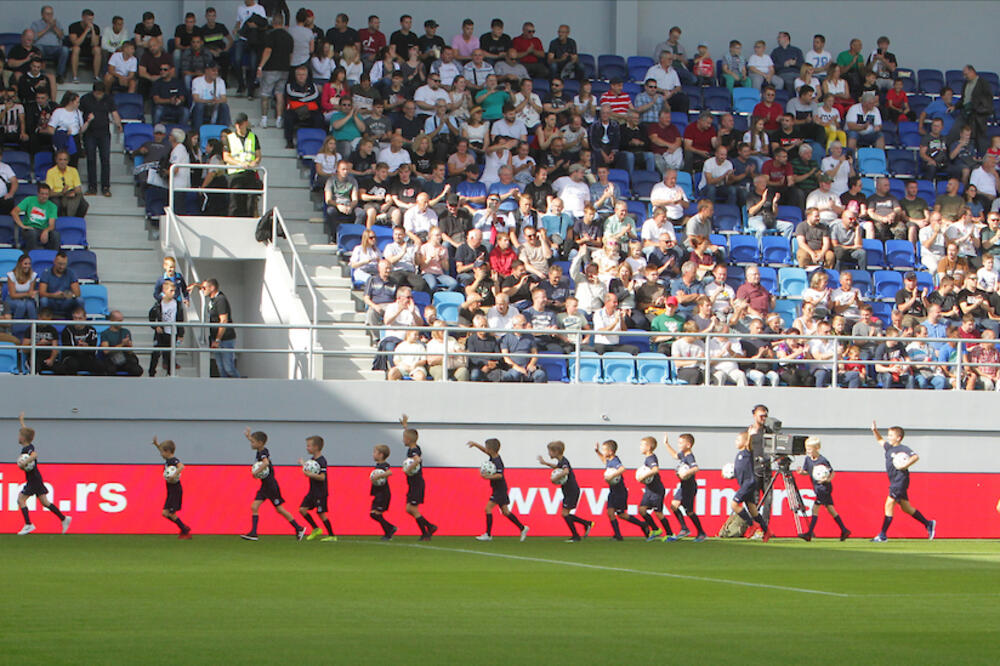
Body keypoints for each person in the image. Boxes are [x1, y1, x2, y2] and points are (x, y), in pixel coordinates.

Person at [870, 421, 936, 542]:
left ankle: (882, 535)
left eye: (891, 435)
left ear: (898, 438)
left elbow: (915, 456)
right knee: (906, 508)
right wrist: (875, 431)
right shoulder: (889, 448)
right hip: (894, 481)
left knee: (889, 504)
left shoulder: (903, 448)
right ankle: (928, 523)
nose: (888, 437)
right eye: (888, 435)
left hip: (900, 481)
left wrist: (904, 465)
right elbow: (880, 440)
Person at [240, 428, 306, 541]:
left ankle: (299, 528)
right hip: (265, 486)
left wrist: (256, 472)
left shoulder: (263, 452)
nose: (251, 443)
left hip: (271, 486)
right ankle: (253, 533)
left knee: (280, 509)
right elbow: (258, 446)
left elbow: (265, 463)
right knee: (254, 506)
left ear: (260, 443)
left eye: (253, 442)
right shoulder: (260, 449)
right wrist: (249, 436)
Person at [13, 412, 72, 536]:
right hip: (35, 478)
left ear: (23, 438)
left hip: (34, 479)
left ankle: (28, 525)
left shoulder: (27, 449)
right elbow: (26, 433)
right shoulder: (27, 444)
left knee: (21, 499)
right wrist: (22, 421)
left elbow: (34, 455)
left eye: (19, 435)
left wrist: (24, 462)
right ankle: (64, 518)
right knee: (45, 502)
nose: (18, 437)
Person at [468, 438, 529, 541]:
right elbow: (484, 450)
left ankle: (488, 534)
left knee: (488, 509)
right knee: (505, 512)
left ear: (491, 450)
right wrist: (475, 445)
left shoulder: (498, 461)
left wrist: (487, 477)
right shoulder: (493, 456)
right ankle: (523, 528)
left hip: (500, 490)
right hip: (498, 489)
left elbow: (500, 475)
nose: (486, 450)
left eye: (487, 448)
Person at [536, 440, 593, 542]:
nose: (549, 453)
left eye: (550, 451)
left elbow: (566, 471)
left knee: (565, 513)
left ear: (556, 452)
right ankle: (586, 524)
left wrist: (555, 478)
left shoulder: (564, 461)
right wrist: (545, 463)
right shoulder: (561, 461)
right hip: (568, 490)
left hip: (572, 490)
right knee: (565, 513)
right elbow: (558, 467)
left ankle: (576, 535)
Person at [796, 437, 850, 541]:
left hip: (824, 488)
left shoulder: (823, 460)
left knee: (815, 509)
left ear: (817, 448)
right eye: (807, 449)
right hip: (817, 487)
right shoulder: (807, 459)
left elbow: (832, 472)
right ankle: (844, 530)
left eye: (810, 449)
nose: (808, 451)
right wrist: (801, 472)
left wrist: (827, 479)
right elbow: (807, 471)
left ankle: (809, 533)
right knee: (831, 509)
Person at [595, 439, 649, 540]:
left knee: (622, 515)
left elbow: (622, 469)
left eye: (604, 450)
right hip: (613, 492)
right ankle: (618, 535)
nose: (603, 452)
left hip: (620, 492)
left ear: (610, 452)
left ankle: (643, 525)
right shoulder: (610, 461)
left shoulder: (615, 460)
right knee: (610, 513)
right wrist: (597, 452)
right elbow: (604, 460)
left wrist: (612, 476)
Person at [397, 414, 438, 541]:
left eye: (404, 438)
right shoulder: (414, 446)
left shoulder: (413, 451)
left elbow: (418, 459)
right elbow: (410, 436)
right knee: (410, 509)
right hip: (414, 483)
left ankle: (428, 530)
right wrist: (405, 426)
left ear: (408, 440)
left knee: (411, 508)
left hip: (417, 483)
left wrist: (408, 468)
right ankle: (428, 529)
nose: (403, 440)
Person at [79, 81, 122, 197]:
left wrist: (119, 124)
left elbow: (114, 113)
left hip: (104, 133)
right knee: (91, 159)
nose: (98, 95)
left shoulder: (108, 99)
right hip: (90, 133)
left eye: (100, 93)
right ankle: (92, 187)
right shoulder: (85, 99)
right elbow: (79, 113)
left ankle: (105, 187)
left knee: (105, 160)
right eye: (97, 93)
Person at [663, 432, 707, 541]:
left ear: (688, 445)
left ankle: (701, 533)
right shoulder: (683, 455)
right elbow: (674, 455)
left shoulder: (690, 456)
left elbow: (696, 468)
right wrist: (666, 444)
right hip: (683, 486)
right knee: (673, 506)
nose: (678, 445)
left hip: (689, 487)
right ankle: (684, 528)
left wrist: (686, 473)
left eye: (681, 443)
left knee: (689, 511)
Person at [730, 431, 772, 541]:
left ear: (745, 442)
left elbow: (749, 443)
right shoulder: (739, 455)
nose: (736, 442)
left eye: (738, 440)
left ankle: (751, 525)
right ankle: (767, 531)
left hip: (748, 483)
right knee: (753, 510)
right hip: (745, 484)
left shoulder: (747, 452)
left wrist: (749, 434)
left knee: (734, 505)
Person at [634, 436, 675, 542]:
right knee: (642, 510)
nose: (640, 447)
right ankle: (656, 529)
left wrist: (643, 476)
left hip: (657, 490)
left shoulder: (651, 458)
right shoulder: (647, 458)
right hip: (649, 490)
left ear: (648, 447)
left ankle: (670, 534)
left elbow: (655, 470)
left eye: (642, 445)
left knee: (658, 513)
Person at [295, 435, 335, 542]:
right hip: (312, 491)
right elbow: (309, 469)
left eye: (309, 446)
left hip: (320, 492)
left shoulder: (322, 461)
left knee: (321, 513)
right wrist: (303, 464)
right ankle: (316, 529)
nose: (307, 448)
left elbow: (322, 477)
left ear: (316, 447)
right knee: (302, 510)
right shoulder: (312, 460)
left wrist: (309, 475)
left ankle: (332, 535)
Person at [151, 437, 191, 538]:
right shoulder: (168, 459)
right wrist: (157, 445)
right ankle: (184, 528)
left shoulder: (173, 460)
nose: (161, 454)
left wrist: (174, 475)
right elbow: (162, 450)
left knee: (171, 513)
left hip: (175, 490)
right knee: (165, 513)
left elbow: (181, 466)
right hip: (170, 490)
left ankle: (184, 530)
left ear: (168, 451)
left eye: (162, 452)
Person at [223, 114, 261, 217]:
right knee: (235, 203)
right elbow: (226, 157)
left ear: (246, 123)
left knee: (250, 203)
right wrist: (239, 164)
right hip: (235, 174)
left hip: (250, 173)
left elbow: (258, 156)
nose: (238, 126)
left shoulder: (253, 137)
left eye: (241, 124)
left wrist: (255, 162)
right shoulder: (230, 138)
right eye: (237, 124)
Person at [202, 278, 240, 378]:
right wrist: (194, 286)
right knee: (221, 368)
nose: (203, 290)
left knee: (229, 368)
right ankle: (225, 391)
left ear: (212, 288)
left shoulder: (221, 300)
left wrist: (218, 340)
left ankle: (242, 386)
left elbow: (224, 320)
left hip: (225, 339)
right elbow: (203, 287)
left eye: (204, 288)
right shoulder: (212, 299)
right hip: (215, 339)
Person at [148, 280, 185, 377]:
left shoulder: (177, 304)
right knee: (156, 353)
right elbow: (151, 316)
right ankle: (151, 373)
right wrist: (156, 326)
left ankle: (170, 373)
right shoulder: (158, 304)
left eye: (174, 291)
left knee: (169, 354)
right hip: (161, 333)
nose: (173, 293)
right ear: (164, 291)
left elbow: (180, 319)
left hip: (172, 332)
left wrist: (181, 334)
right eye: (171, 291)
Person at [55, 306, 103, 375]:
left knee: (99, 365)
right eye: (75, 318)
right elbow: (68, 350)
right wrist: (79, 347)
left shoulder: (91, 330)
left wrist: (86, 346)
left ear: (85, 318)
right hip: (71, 357)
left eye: (80, 318)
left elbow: (93, 349)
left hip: (87, 357)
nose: (77, 321)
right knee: (72, 364)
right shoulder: (67, 330)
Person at [13, 183, 59, 251]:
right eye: (42, 194)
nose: (44, 196)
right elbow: (14, 212)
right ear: (38, 193)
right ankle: (31, 256)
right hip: (30, 228)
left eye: (46, 194)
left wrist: (46, 231)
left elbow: (51, 225)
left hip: (43, 229)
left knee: (56, 235)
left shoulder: (52, 206)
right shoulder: (29, 200)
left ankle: (53, 256)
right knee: (32, 233)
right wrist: (22, 225)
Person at [98, 310, 142, 376]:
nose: (121, 323)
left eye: (122, 320)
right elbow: (106, 351)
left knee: (137, 370)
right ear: (112, 320)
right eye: (119, 321)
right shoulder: (105, 333)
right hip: (111, 359)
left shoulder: (126, 331)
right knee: (110, 370)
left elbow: (130, 352)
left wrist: (129, 345)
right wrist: (122, 344)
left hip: (124, 359)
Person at [31, 6, 69, 82]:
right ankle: (40, 73)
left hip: (55, 47)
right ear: (42, 14)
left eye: (51, 14)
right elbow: (34, 37)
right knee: (38, 48)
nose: (50, 16)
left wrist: (54, 27)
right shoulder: (36, 23)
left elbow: (62, 37)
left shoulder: (57, 23)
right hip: (42, 47)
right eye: (47, 14)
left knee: (65, 50)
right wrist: (48, 27)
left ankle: (60, 75)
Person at [45, 150, 88, 218]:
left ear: (68, 161)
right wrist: (62, 193)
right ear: (56, 160)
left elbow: (78, 189)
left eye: (65, 160)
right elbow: (49, 192)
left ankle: (74, 221)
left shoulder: (73, 171)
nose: (62, 162)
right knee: (56, 204)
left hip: (71, 193)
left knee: (84, 205)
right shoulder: (50, 172)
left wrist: (73, 192)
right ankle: (59, 222)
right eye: (60, 159)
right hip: (57, 195)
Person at [190, 63, 230, 133]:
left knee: (224, 105)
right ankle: (198, 132)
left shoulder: (220, 81)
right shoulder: (197, 81)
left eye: (217, 71)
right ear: (206, 71)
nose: (216, 73)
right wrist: (209, 101)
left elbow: (224, 99)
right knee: (199, 105)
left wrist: (217, 101)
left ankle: (224, 132)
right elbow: (196, 98)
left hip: (214, 107)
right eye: (213, 71)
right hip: (201, 107)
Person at [67, 8, 102, 83]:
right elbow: (76, 43)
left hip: (89, 49)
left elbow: (95, 43)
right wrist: (86, 31)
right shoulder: (73, 26)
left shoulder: (96, 28)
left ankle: (96, 76)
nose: (90, 21)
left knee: (97, 49)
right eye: (88, 19)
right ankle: (75, 76)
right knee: (76, 49)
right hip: (78, 48)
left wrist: (92, 31)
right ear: (83, 17)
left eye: (92, 19)